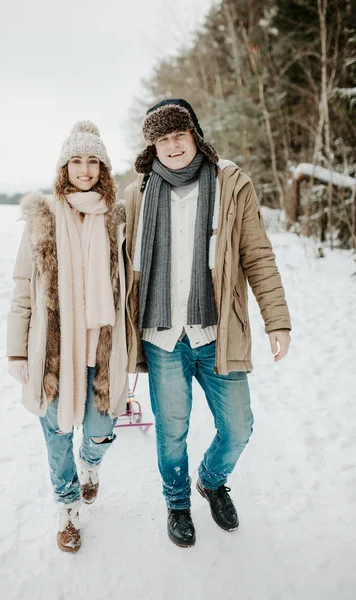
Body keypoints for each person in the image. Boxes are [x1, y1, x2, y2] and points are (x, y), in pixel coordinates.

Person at [124, 99, 291, 548]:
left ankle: (211, 481)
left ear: (195, 135)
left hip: (217, 333)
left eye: (179, 135)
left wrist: (277, 320)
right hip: (162, 336)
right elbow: (115, 262)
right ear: (153, 146)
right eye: (163, 138)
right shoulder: (137, 194)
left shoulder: (230, 183)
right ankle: (177, 502)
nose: (173, 145)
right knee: (171, 428)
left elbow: (257, 255)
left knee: (239, 427)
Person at [7, 121, 128, 553]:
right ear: (64, 166)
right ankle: (68, 506)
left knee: (99, 430)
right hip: (55, 353)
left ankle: (91, 466)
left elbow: (129, 287)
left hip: (103, 347)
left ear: (103, 167)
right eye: (76, 160)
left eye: (92, 160)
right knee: (57, 437)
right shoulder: (43, 217)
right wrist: (17, 351)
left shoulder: (116, 217)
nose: (84, 169)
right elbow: (24, 287)